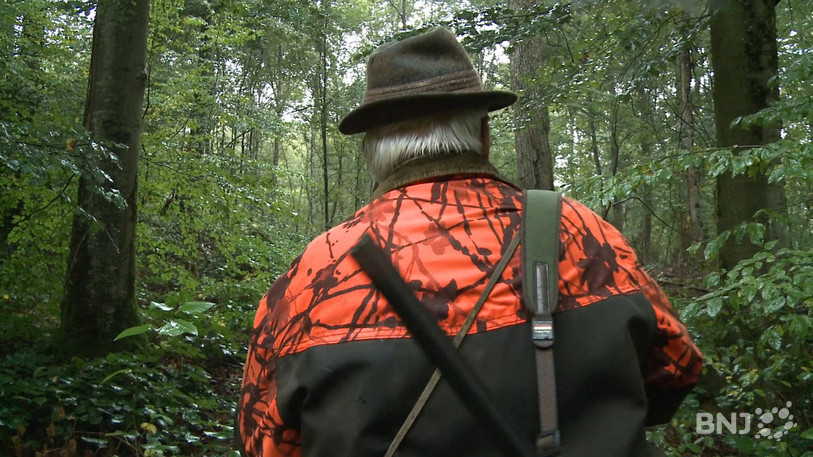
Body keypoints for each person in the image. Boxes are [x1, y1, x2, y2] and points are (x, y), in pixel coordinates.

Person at [237, 26, 702, 457]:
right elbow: (677, 370)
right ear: (483, 135)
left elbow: (266, 442)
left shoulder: (315, 276)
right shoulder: (583, 234)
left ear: (372, 153)